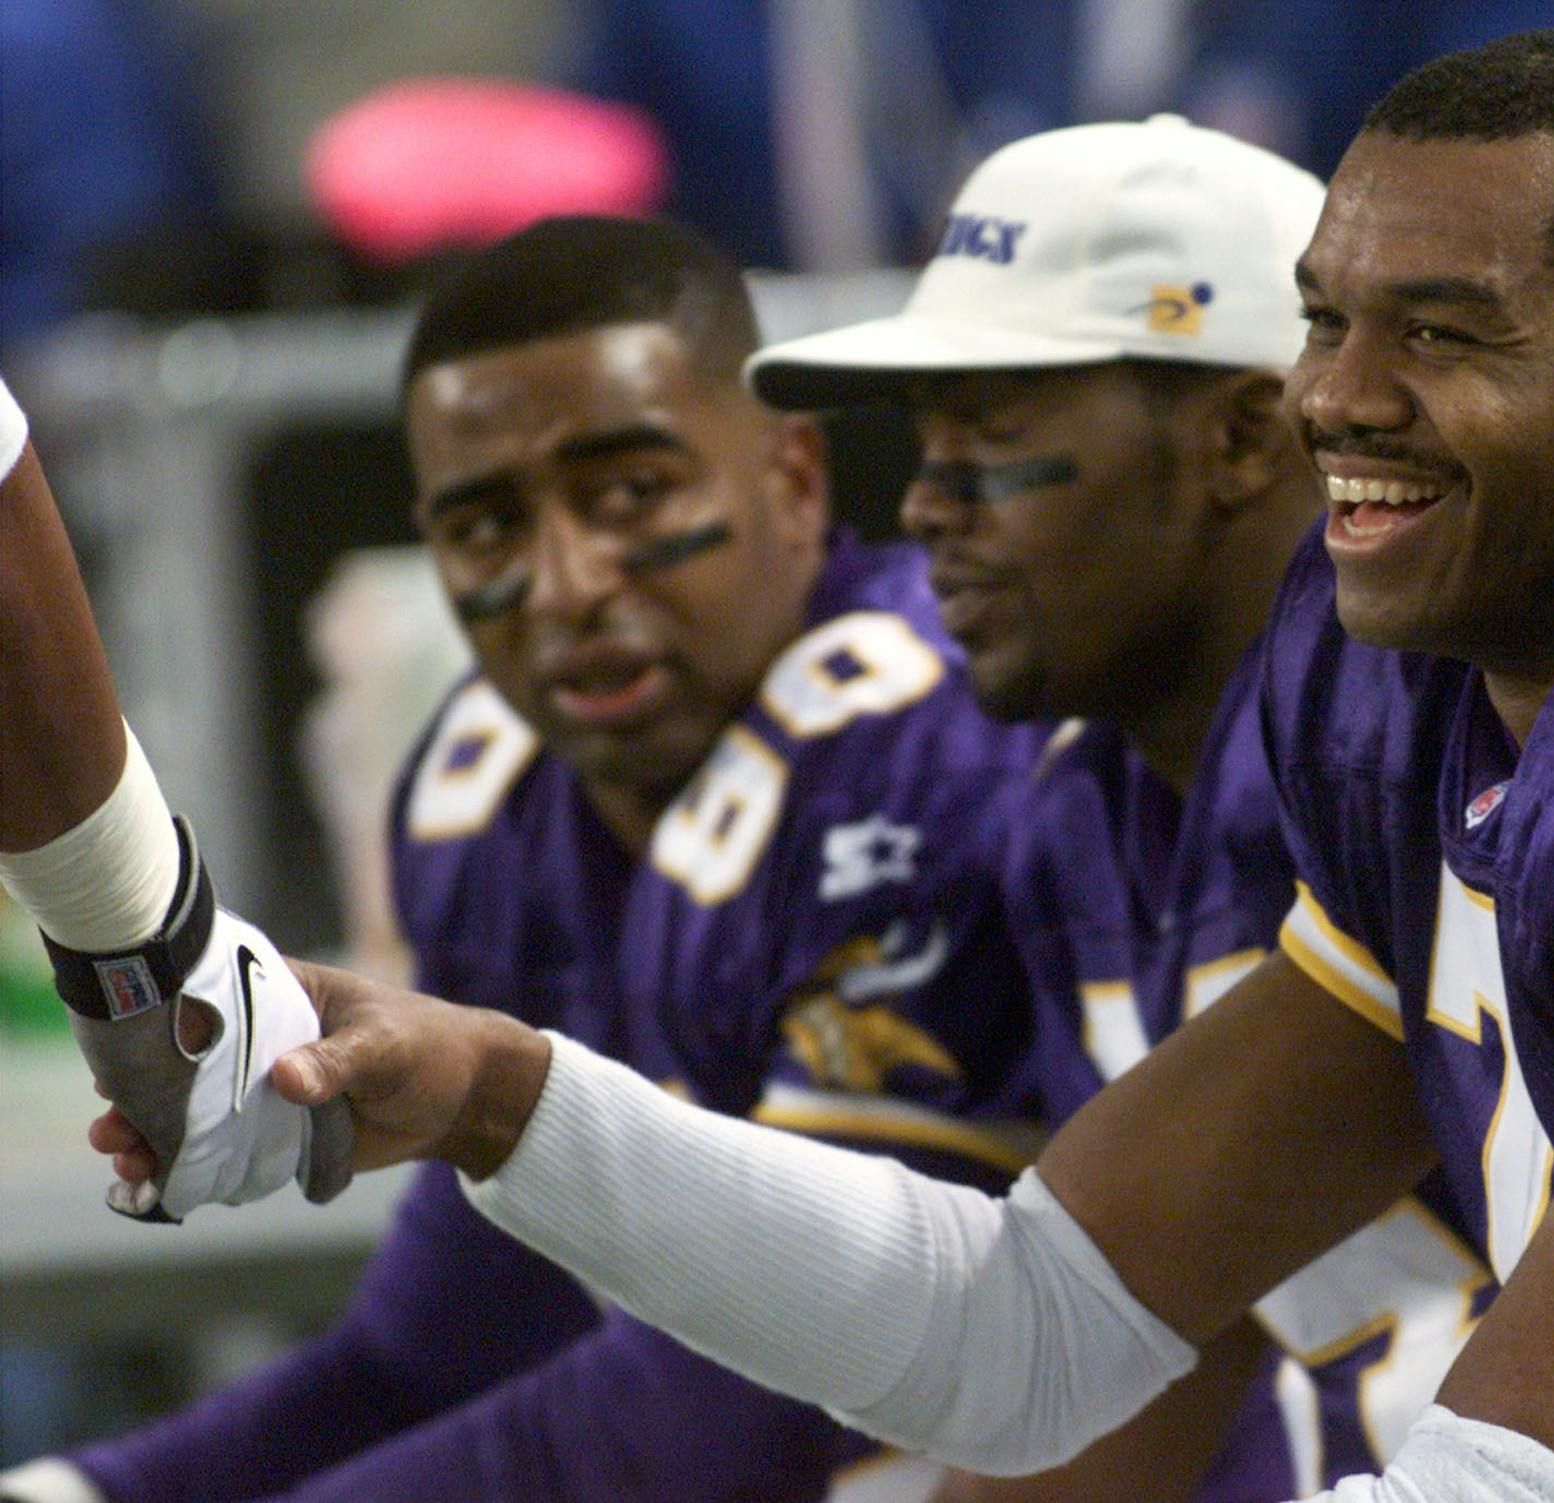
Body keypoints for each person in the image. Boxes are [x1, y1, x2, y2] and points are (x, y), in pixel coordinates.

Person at [100, 28, 1554, 1502]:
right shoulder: (1400, 698)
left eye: (1434, 333)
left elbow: (1531, 1471)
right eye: (1327, 322)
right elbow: (1032, 1331)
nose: (1343, 394)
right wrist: (485, 1088)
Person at [4, 216, 1064, 1503]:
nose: (564, 585)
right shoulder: (486, 797)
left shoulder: (923, 750)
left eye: (630, 494)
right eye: (488, 522)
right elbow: (444, 1347)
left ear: (794, 479)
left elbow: (775, 1408)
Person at [747, 113, 1511, 1487]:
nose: (924, 505)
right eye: (923, 441)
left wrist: (506, 1102)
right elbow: (1128, 1345)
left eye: (991, 432)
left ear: (1236, 435)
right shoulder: (1079, 812)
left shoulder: (1449, 761)